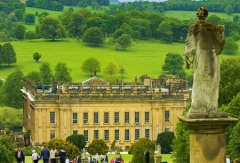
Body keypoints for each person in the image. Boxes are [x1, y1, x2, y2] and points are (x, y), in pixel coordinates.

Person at [184, 7, 225, 118]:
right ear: (206, 15)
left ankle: (198, 108)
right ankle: (211, 108)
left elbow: (190, 48)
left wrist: (186, 58)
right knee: (212, 82)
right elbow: (220, 47)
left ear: (198, 14)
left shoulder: (194, 28)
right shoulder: (213, 29)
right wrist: (221, 32)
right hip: (212, 58)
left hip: (202, 57)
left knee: (200, 81)